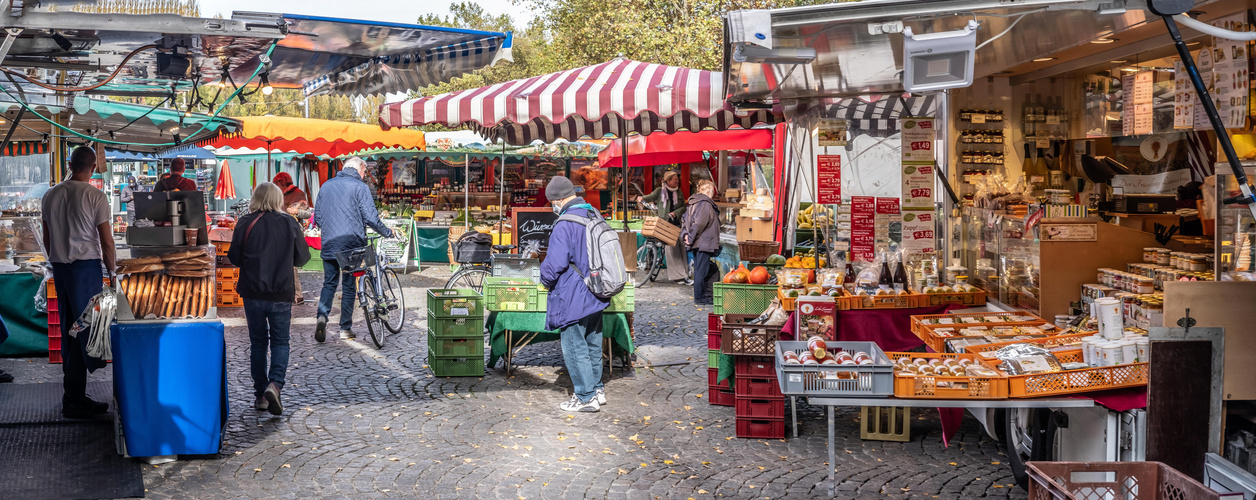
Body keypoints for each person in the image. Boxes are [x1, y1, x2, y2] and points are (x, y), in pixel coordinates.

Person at [42, 146, 115, 418]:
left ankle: (73, 396)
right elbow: (107, 242)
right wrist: (113, 273)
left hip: (61, 269)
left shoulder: (51, 194)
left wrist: (55, 260)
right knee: (88, 331)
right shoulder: (96, 196)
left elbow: (47, 236)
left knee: (71, 329)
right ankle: (75, 397)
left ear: (70, 165)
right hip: (86, 269)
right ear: (93, 167)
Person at [228, 182, 311, 416]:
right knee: (280, 341)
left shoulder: (245, 222)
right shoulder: (288, 222)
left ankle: (259, 396)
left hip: (252, 292)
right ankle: (274, 385)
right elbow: (303, 258)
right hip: (280, 292)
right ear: (277, 199)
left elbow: (234, 258)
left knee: (258, 343)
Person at [540, 176, 610, 413]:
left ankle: (585, 396)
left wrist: (544, 279)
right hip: (597, 289)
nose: (552, 206)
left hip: (573, 293)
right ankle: (597, 389)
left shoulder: (565, 223)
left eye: (552, 202)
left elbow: (555, 263)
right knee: (592, 341)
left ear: (558, 199)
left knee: (574, 344)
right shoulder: (594, 214)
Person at [312, 157, 392, 342]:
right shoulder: (360, 187)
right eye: (364, 172)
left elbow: (318, 217)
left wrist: (331, 231)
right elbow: (371, 218)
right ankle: (344, 328)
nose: (364, 176)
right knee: (349, 286)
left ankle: (322, 316)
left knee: (329, 283)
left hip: (330, 242)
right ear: (359, 169)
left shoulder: (326, 186)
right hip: (351, 245)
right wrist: (387, 232)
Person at [637, 171, 690, 283]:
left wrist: (675, 212)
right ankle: (678, 277)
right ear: (668, 181)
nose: (677, 181)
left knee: (682, 245)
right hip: (664, 225)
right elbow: (649, 197)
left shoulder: (679, 192)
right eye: (675, 179)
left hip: (676, 224)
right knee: (671, 248)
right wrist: (641, 198)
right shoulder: (659, 191)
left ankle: (685, 273)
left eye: (677, 179)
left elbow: (683, 207)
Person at [273, 172, 311, 305]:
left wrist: (297, 212)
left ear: (282, 182)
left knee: (292, 264)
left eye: (276, 183)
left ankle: (297, 295)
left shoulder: (298, 193)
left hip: (293, 232)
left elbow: (307, 214)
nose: (275, 186)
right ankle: (283, 291)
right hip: (278, 231)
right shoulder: (276, 194)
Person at [681, 180, 720, 305]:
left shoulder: (693, 203)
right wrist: (690, 237)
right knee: (701, 270)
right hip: (704, 242)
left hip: (700, 242)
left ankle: (708, 295)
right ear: (708, 191)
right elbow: (699, 224)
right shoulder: (705, 204)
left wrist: (686, 236)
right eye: (712, 191)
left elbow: (685, 221)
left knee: (710, 269)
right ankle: (699, 297)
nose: (713, 193)